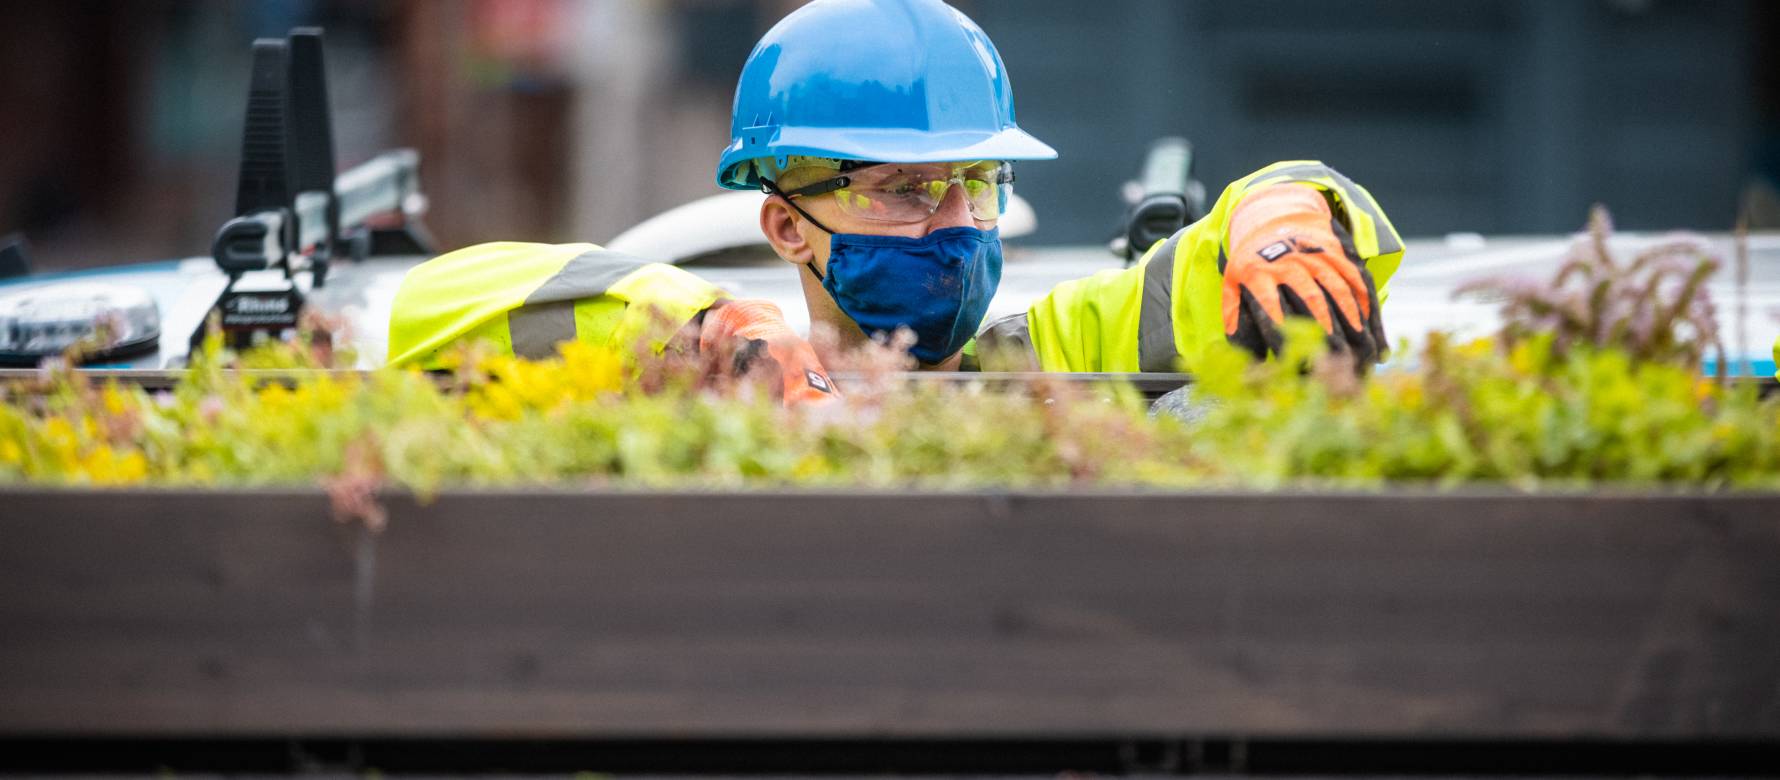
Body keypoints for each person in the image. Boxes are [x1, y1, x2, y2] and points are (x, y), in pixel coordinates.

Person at [386, 0, 1404, 403]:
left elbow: (1209, 264)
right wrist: (693, 326)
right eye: (907, 193)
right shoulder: (723, 379)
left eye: (977, 185)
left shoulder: (1056, 354)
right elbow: (428, 307)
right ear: (786, 226)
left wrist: (1289, 211)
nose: (958, 223)